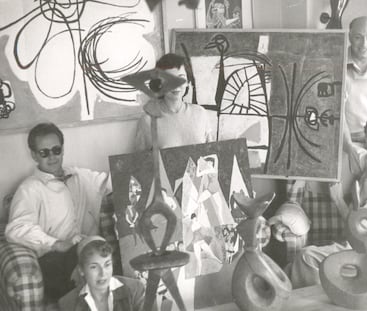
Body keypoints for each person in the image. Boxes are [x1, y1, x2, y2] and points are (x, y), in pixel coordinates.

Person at [288, 114, 367, 288]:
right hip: (348, 245)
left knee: (305, 257)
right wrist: (339, 104)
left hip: (366, 255)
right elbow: (346, 144)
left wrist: (338, 199)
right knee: (289, 268)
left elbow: (362, 232)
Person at [5, 122, 112, 300]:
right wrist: (56, 244)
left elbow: (112, 181)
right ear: (34, 155)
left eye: (56, 150)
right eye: (44, 152)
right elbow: (15, 229)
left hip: (93, 253)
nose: (52, 157)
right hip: (57, 261)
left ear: (62, 149)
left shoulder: (80, 176)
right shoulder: (30, 188)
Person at [135, 53, 214, 151]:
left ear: (188, 82)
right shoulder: (147, 121)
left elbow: (212, 154)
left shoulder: (200, 114)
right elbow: (139, 163)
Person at [59, 236, 146, 311]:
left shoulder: (134, 289)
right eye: (94, 267)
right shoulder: (68, 304)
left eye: (107, 264)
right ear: (81, 270)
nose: (102, 274)